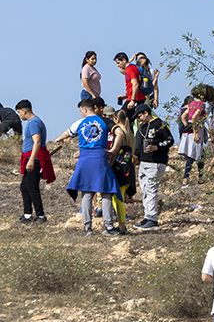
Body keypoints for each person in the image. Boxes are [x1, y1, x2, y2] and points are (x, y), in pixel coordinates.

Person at [57, 98, 119, 235]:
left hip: (84, 159)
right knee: (106, 192)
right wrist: (114, 149)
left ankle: (87, 228)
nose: (81, 114)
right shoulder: (104, 121)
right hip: (100, 158)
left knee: (86, 193)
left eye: (81, 111)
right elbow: (120, 133)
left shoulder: (80, 123)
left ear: (85, 110)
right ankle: (109, 226)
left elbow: (67, 133)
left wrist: (58, 139)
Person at [133, 104, 173, 230]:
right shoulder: (142, 127)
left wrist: (157, 147)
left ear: (146, 113)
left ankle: (152, 218)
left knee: (151, 189)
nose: (139, 118)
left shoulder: (159, 124)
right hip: (144, 162)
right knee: (144, 189)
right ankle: (147, 216)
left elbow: (169, 140)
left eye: (140, 115)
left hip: (156, 162)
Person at [16, 100, 52, 224]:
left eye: (19, 112)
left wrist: (31, 159)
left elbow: (37, 141)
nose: (19, 115)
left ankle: (41, 215)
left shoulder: (34, 123)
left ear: (25, 111)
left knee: (32, 187)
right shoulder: (34, 122)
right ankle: (27, 214)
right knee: (24, 187)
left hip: (34, 159)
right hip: (30, 157)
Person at [107, 108, 135, 234]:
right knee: (120, 198)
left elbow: (114, 152)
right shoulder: (130, 133)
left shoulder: (119, 134)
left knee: (116, 199)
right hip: (128, 169)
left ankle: (122, 225)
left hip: (118, 170)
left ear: (116, 119)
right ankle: (121, 223)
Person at [178, 86, 209, 188]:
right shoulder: (200, 105)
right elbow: (195, 117)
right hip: (196, 131)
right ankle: (186, 179)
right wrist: (195, 131)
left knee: (200, 156)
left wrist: (187, 125)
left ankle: (200, 177)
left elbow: (183, 116)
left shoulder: (191, 104)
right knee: (192, 156)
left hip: (190, 132)